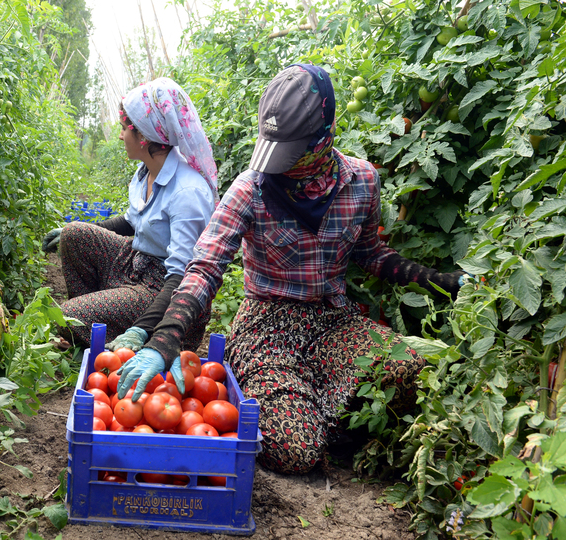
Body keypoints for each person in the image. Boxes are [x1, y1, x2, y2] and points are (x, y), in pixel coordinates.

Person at [117, 64, 473, 474]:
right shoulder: (251, 189)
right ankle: (293, 404)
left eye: (293, 152)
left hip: (333, 321)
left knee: (407, 370)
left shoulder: (362, 181)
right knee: (294, 450)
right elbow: (204, 268)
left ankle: (306, 403)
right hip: (266, 326)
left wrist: (440, 281)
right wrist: (163, 341)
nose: (280, 165)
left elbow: (371, 253)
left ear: (325, 136)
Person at [42, 78, 218, 352]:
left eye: (124, 129)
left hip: (163, 291)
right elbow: (130, 222)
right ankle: (97, 327)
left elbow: (183, 276)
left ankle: (127, 337)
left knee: (68, 315)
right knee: (75, 234)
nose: (121, 136)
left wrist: (142, 328)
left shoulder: (187, 191)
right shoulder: (147, 171)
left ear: (144, 136)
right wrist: (69, 231)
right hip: (137, 265)